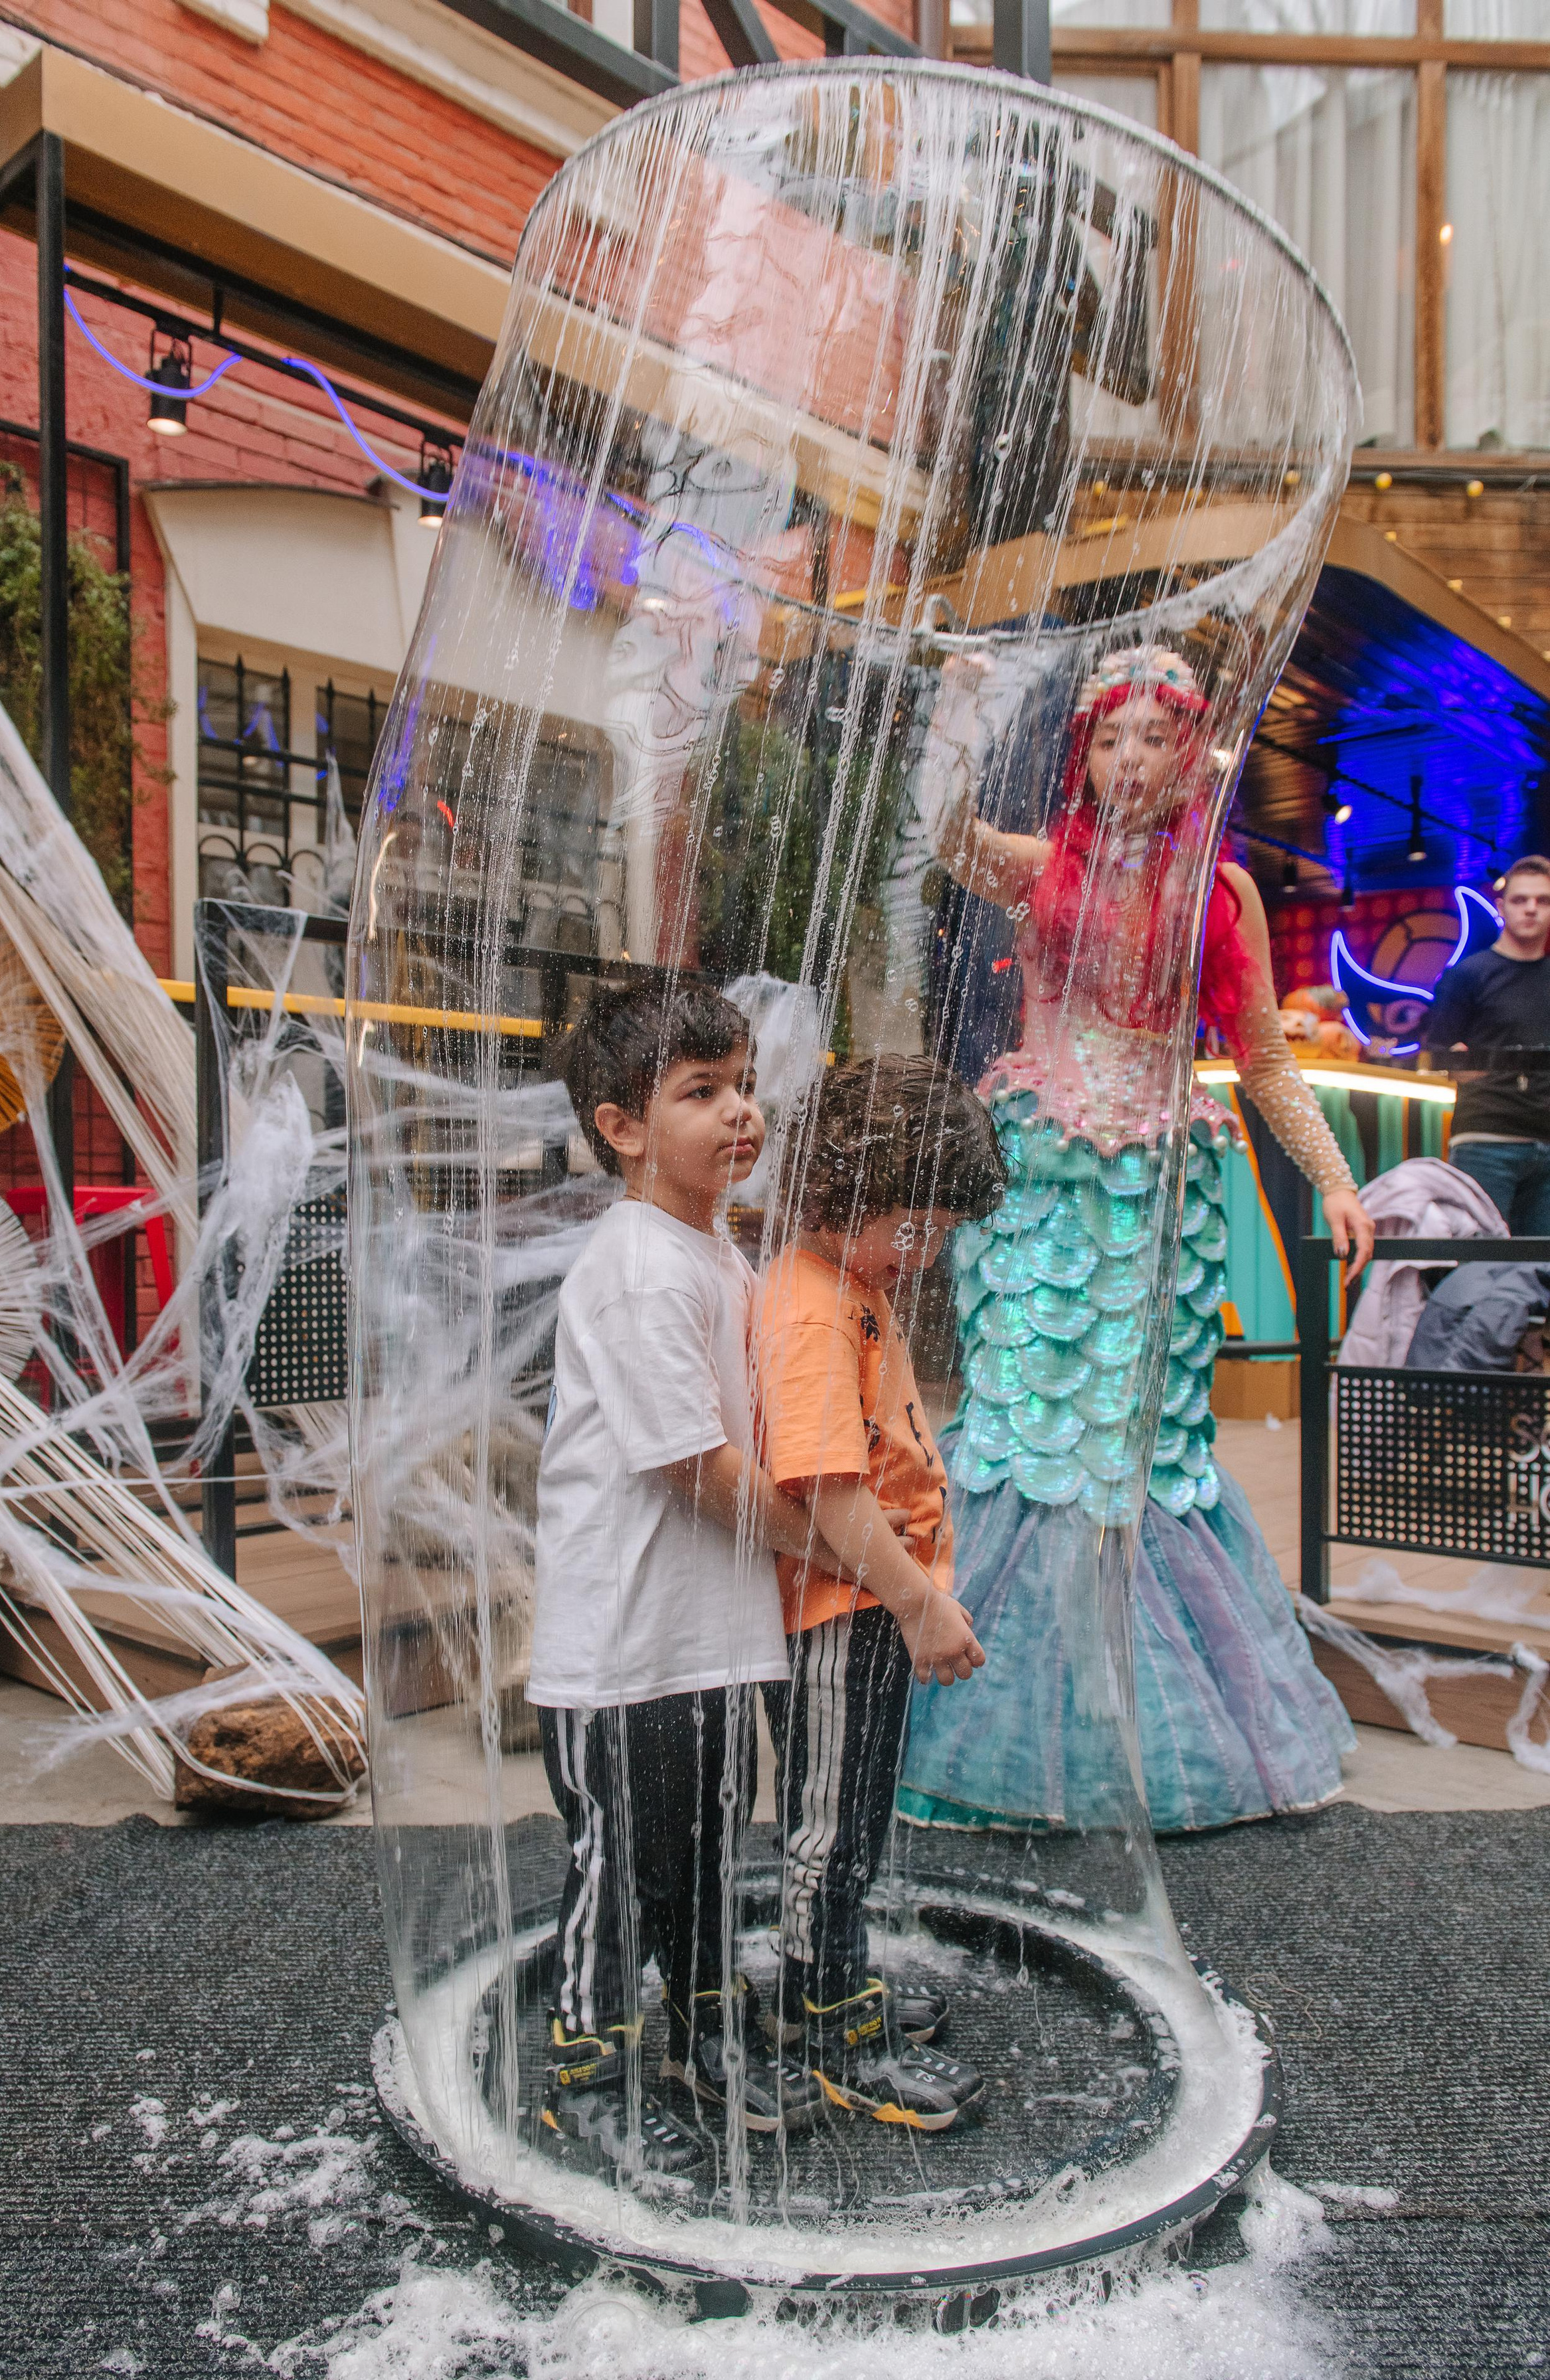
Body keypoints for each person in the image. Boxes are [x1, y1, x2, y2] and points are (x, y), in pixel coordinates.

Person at [897, 646, 1375, 1836]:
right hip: (1050, 1178)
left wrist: (1335, 1179)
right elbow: (950, 835)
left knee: (1142, 1441)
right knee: (1024, 1425)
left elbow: (1261, 1055)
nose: (1126, 761)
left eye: (1152, 739)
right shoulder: (1041, 862)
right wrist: (959, 718)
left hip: (1159, 1183)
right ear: (1086, 752)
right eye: (1109, 739)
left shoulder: (1226, 888)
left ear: (1189, 754)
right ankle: (997, 1718)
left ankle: (1146, 1723)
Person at [527, 980, 827, 2179]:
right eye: (701, 1093)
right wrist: (820, 1539)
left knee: (703, 1853)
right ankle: (590, 2071)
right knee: (616, 1868)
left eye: (743, 1085)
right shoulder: (640, 1266)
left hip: (705, 1636)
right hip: (621, 1647)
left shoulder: (711, 1251)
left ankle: (704, 2031)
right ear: (623, 1128)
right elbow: (693, 1466)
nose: (739, 1113)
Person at [754, 1055, 1004, 2128]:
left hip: (865, 1611)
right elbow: (825, 1491)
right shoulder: (812, 1313)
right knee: (830, 1826)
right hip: (843, 1615)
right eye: (914, 1228)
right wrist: (916, 1600)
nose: (929, 1253)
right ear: (833, 1193)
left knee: (849, 1814)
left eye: (942, 1231)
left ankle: (832, 1980)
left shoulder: (846, 1290)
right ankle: (827, 2023)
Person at [1421, 855, 1550, 1234]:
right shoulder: (1468, 975)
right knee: (1478, 1273)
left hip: (1546, 1140)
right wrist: (1463, 1065)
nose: (1531, 909)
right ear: (1502, 907)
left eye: (1543, 901)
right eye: (1521, 899)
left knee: (1539, 1277)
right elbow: (1440, 1054)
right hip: (1486, 1139)